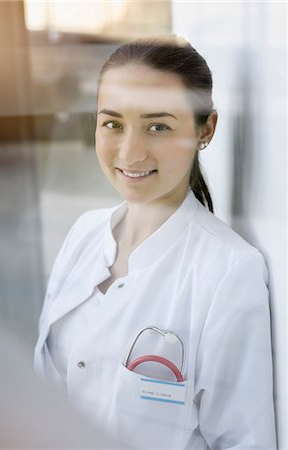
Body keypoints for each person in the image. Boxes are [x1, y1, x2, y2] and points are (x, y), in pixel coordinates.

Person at [34, 36, 277, 449]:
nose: (131, 152)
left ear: (207, 129)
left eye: (158, 126)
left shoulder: (229, 272)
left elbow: (244, 441)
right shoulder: (83, 233)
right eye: (112, 123)